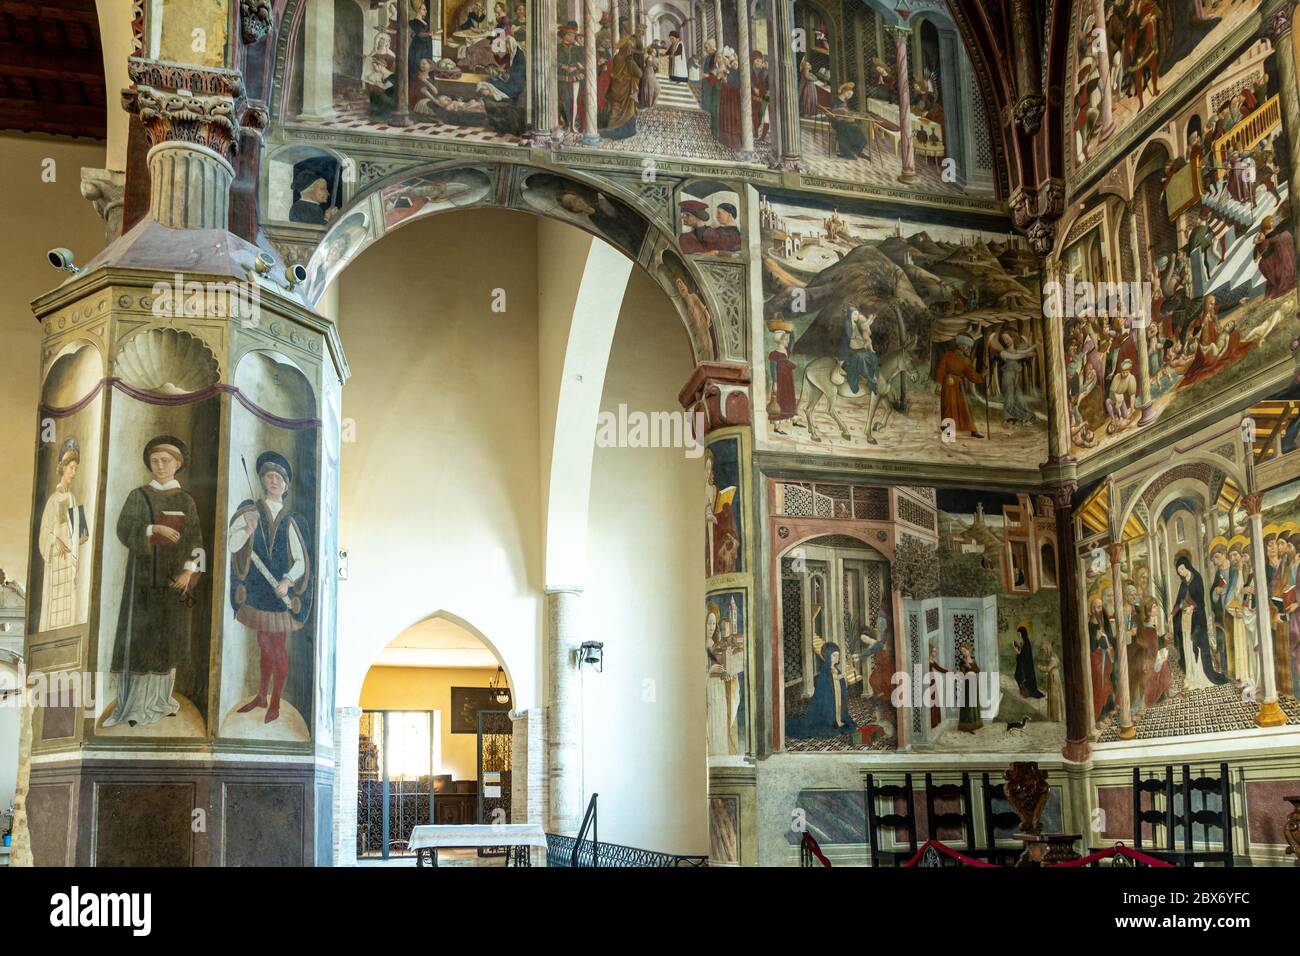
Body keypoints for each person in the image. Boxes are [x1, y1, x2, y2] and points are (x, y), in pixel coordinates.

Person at [104, 436, 204, 729]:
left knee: (167, 641)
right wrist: (152, 528)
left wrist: (188, 572)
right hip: (143, 581)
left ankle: (160, 701)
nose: (160, 466)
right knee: (139, 641)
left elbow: (197, 541)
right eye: (155, 461)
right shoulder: (139, 495)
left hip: (174, 580)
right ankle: (133, 706)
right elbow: (124, 528)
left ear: (177, 464)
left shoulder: (186, 500)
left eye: (166, 461)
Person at [230, 451, 313, 724]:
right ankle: (261, 695)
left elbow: (302, 559)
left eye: (279, 478)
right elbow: (232, 547)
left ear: (286, 486)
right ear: (263, 480)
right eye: (269, 476)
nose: (274, 481)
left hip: (279, 595)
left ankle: (275, 699)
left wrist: (288, 580)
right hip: (258, 593)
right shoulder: (250, 511)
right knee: (263, 643)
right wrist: (245, 530)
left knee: (277, 646)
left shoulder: (293, 520)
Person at [37, 438, 89, 631]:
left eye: (76, 469)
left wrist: (80, 534)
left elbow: (81, 535)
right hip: (57, 559)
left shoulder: (72, 498)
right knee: (55, 607)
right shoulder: (53, 499)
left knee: (69, 605)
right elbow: (45, 530)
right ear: (63, 468)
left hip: (69, 561)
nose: (73, 473)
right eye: (71, 468)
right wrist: (55, 540)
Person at [1171, 555, 1231, 690]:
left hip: (1198, 618)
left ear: (1186, 565)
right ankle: (1192, 675)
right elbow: (1179, 601)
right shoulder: (1183, 583)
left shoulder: (1197, 578)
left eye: (1182, 569)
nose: (1181, 572)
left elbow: (1200, 599)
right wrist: (1172, 614)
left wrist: (1192, 607)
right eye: (1179, 571)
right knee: (1189, 645)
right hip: (1187, 619)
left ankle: (1203, 674)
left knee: (1199, 644)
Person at [786, 643, 855, 738]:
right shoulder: (825, 671)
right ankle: (832, 720)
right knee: (821, 727)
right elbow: (825, 690)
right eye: (834, 655)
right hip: (829, 704)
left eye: (838, 655)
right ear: (827, 656)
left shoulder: (836, 669)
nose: (837, 657)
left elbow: (839, 681)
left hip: (838, 696)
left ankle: (839, 719)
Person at [934, 334, 985, 439]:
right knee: (948, 407)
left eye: (971, 347)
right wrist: (939, 384)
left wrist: (982, 376)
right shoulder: (948, 355)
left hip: (958, 387)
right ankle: (947, 432)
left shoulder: (966, 361)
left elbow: (972, 375)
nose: (970, 350)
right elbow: (941, 368)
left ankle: (973, 430)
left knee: (964, 408)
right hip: (947, 386)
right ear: (962, 345)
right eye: (968, 347)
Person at [600, 35, 642, 139]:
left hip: (616, 87)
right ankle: (625, 131)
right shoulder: (628, 60)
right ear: (627, 48)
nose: (631, 50)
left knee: (615, 108)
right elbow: (639, 74)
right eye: (630, 47)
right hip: (626, 89)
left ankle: (611, 128)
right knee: (627, 110)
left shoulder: (616, 57)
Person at [838, 306, 878, 397]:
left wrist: (862, 341)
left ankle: (871, 378)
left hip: (856, 351)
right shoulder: (847, 325)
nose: (857, 315)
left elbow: (858, 337)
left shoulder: (855, 325)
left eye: (857, 313)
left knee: (869, 356)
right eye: (855, 314)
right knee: (861, 357)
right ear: (850, 315)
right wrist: (861, 342)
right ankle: (870, 382)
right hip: (848, 355)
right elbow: (851, 342)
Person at [766, 318, 798, 433]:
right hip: (779, 382)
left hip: (788, 381)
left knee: (789, 400)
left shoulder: (786, 351)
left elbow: (793, 341)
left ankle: (792, 419)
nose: (787, 341)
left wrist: (791, 330)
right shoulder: (774, 354)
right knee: (778, 402)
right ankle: (776, 427)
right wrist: (774, 383)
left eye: (787, 339)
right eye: (785, 339)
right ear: (780, 340)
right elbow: (772, 369)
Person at [557, 22, 584, 132]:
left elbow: (584, 62)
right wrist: (563, 66)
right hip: (561, 77)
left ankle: (573, 125)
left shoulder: (578, 49)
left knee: (574, 100)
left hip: (575, 77)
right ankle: (565, 123)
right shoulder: (558, 48)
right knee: (563, 100)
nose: (574, 37)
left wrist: (575, 67)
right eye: (572, 35)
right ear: (566, 36)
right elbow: (554, 62)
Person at [1012, 624, 1044, 699]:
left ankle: (1025, 692)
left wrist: (1017, 651)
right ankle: (1023, 691)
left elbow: (1024, 655)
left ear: (1023, 634)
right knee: (1017, 676)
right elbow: (1023, 653)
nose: (1019, 635)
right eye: (1018, 634)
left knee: (1018, 676)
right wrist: (1019, 650)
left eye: (1020, 634)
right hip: (1022, 664)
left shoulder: (1026, 643)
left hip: (1025, 666)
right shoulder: (1024, 642)